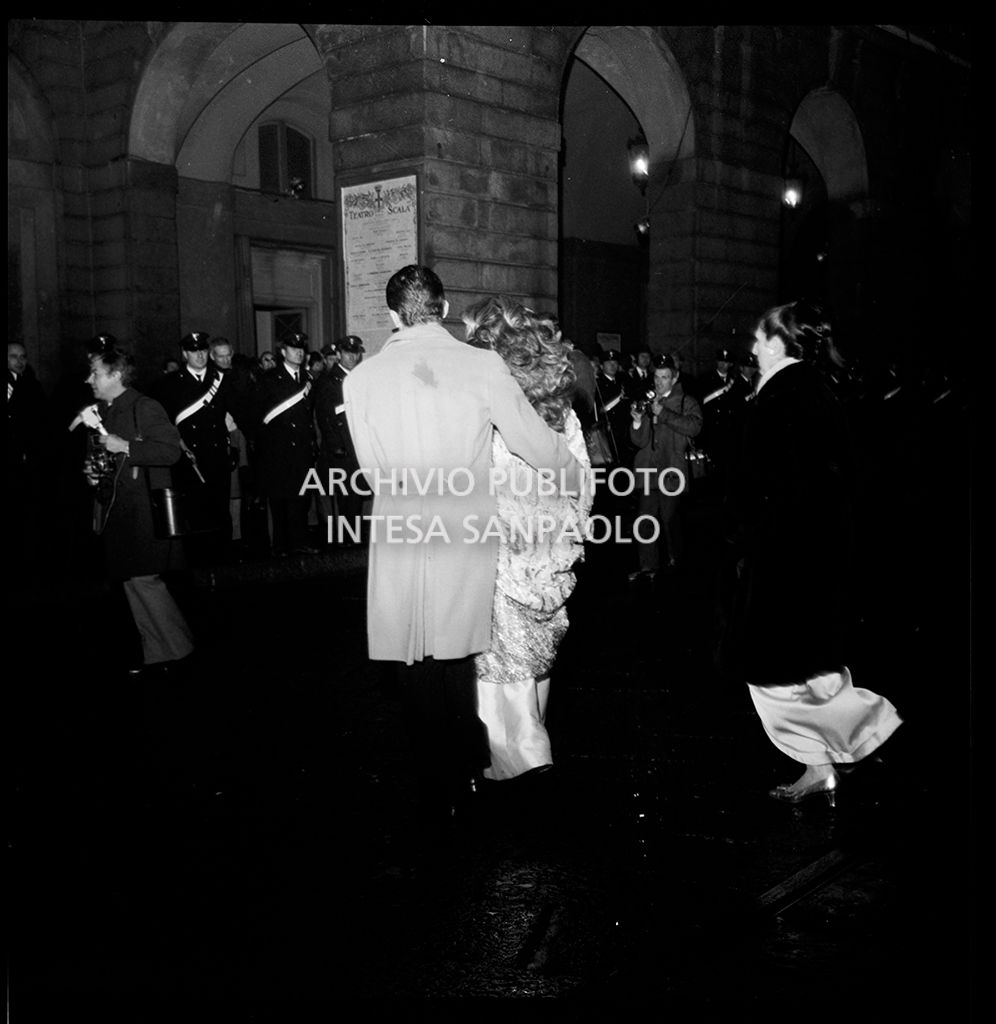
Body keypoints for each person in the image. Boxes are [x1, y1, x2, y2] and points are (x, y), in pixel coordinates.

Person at [343, 265, 584, 823]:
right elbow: (533, 443)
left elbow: (374, 471)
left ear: (390, 315)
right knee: (457, 655)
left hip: (402, 530)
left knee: (413, 656)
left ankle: (434, 780)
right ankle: (464, 773)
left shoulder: (359, 381)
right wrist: (575, 480)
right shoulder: (481, 365)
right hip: (465, 532)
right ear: (444, 308)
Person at [724, 301, 902, 804]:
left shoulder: (784, 395)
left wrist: (745, 535)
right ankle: (820, 767)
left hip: (789, 554)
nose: (753, 347)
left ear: (781, 343)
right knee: (810, 667)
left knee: (768, 672)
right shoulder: (814, 389)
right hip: (816, 550)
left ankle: (871, 726)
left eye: (760, 337)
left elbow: (763, 481)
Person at [462, 297, 593, 781]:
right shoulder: (561, 411)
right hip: (551, 555)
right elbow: (581, 481)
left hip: (505, 557)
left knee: (505, 676)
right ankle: (518, 762)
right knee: (535, 667)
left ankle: (529, 768)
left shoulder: (495, 413)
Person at [78, 339, 194, 673]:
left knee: (144, 580)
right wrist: (93, 472)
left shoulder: (144, 406)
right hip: (119, 511)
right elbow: (105, 458)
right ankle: (158, 653)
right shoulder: (104, 411)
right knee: (133, 581)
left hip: (144, 510)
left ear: (115, 375)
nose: (90, 380)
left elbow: (170, 451)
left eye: (95, 373)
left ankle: (177, 649)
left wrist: (125, 445)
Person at [151, 332, 235, 564]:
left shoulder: (222, 379)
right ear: (185, 354)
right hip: (189, 458)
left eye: (203, 351)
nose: (200, 355)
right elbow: (164, 422)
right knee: (193, 512)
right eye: (194, 351)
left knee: (220, 510)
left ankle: (223, 563)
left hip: (217, 455)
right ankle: (197, 564)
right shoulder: (169, 384)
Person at [628, 353, 702, 581]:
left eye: (665, 377)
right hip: (649, 471)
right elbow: (639, 441)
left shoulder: (685, 401)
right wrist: (638, 421)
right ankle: (648, 566)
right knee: (646, 520)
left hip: (671, 470)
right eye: (657, 377)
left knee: (670, 521)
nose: (659, 381)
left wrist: (665, 414)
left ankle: (675, 563)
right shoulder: (648, 400)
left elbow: (694, 427)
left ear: (674, 378)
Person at [251, 332, 317, 556]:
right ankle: (280, 545)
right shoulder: (269, 379)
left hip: (302, 450)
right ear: (283, 352)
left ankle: (300, 541)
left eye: (301, 348)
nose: (299, 352)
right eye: (293, 348)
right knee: (280, 499)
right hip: (278, 451)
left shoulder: (307, 378)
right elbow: (259, 417)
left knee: (301, 499)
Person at [313, 334, 365, 543]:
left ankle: (354, 537)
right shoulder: (328, 381)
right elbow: (325, 417)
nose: (351, 357)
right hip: (341, 448)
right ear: (338, 354)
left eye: (355, 353)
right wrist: (336, 445)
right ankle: (345, 539)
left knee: (356, 494)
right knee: (344, 496)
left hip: (359, 445)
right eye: (347, 353)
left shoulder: (361, 377)